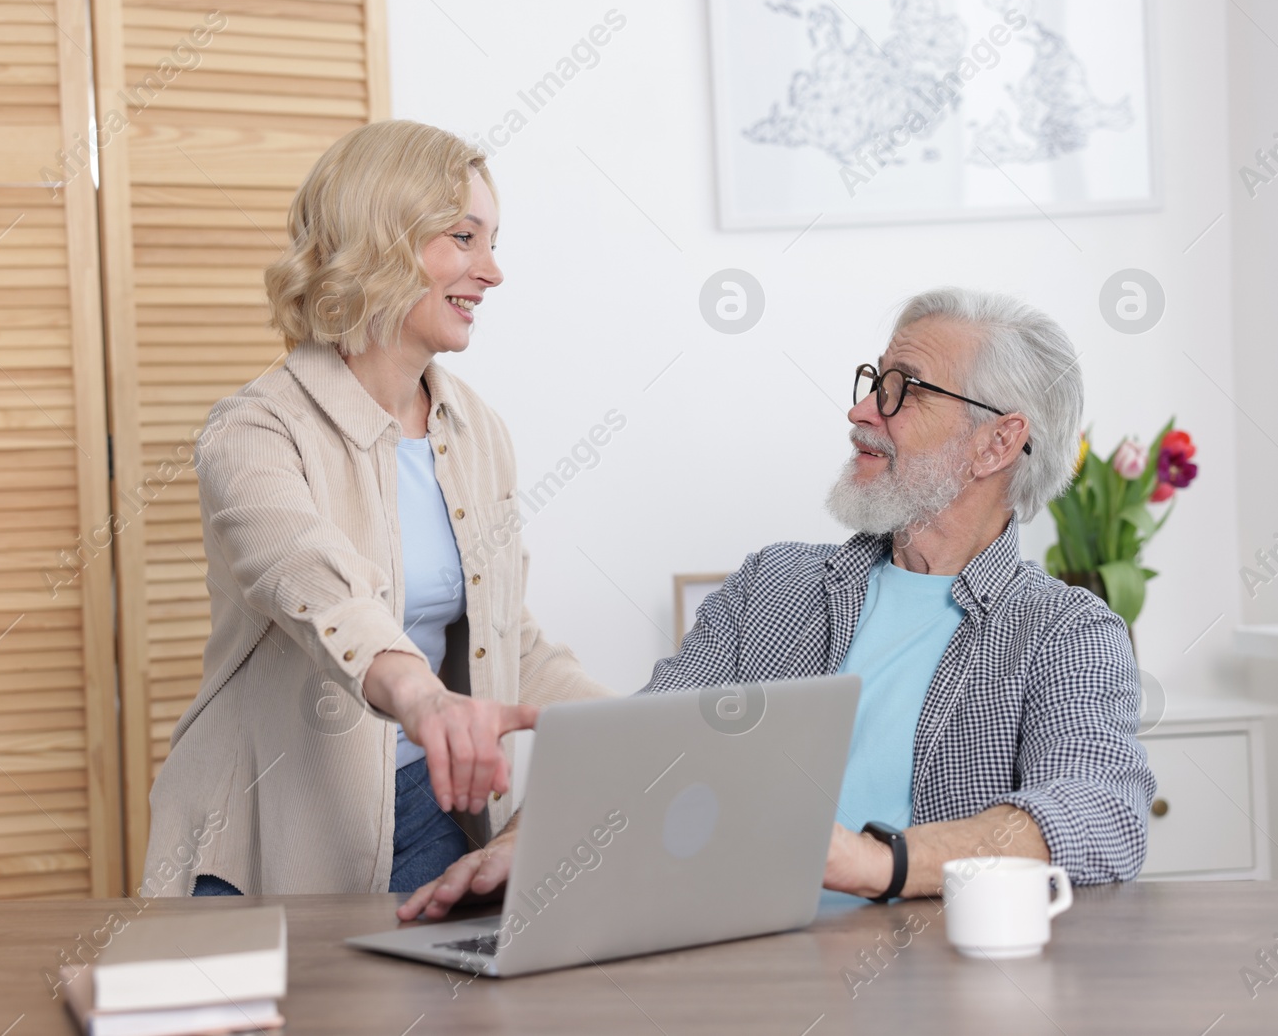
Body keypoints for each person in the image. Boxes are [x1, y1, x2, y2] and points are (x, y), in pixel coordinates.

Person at [400, 287, 1155, 920]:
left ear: (998, 443)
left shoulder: (1067, 631)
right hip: (739, 965)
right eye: (871, 380)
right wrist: (516, 849)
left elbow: (1098, 811)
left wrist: (872, 860)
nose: (862, 411)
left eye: (904, 389)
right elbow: (644, 744)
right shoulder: (775, 584)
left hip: (936, 979)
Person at [142, 120, 611, 898]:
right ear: (381, 239)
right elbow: (321, 588)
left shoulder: (476, 429)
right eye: (464, 237)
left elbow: (508, 634)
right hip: (267, 836)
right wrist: (425, 699)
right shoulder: (254, 430)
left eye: (492, 240)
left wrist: (648, 725)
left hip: (431, 818)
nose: (491, 270)